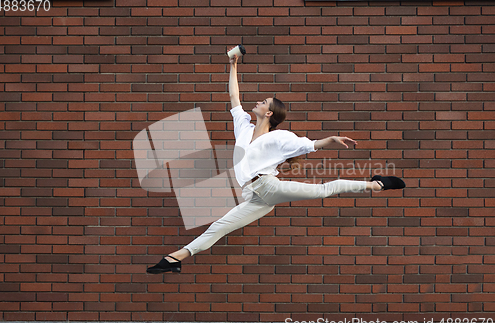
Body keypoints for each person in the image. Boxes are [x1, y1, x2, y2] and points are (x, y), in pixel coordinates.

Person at [147, 48, 406, 274]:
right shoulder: (244, 129)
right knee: (219, 227)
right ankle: (174, 259)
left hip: (268, 186)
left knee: (323, 190)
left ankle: (375, 185)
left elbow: (311, 145)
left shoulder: (280, 137)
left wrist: (332, 139)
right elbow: (234, 98)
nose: (257, 102)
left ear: (269, 113)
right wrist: (233, 66)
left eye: (263, 102)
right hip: (253, 196)